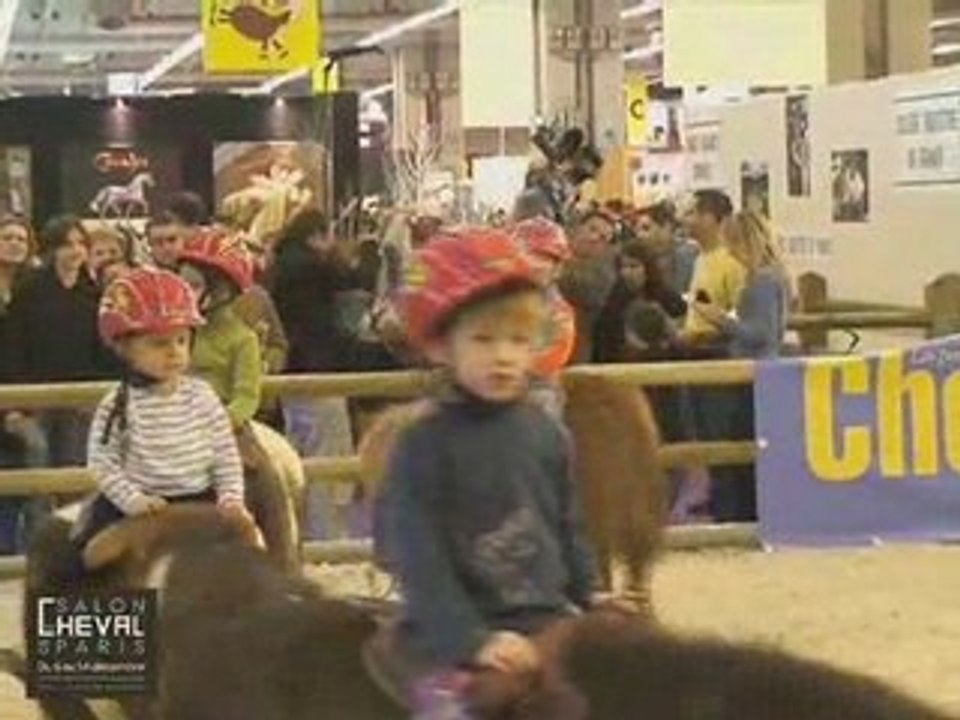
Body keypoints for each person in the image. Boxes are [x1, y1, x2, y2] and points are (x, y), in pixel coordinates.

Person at [378, 227, 597, 720]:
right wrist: (472, 640)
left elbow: (569, 527)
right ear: (441, 347)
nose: (503, 355)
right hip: (453, 633)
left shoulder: (547, 433)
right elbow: (418, 558)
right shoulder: (423, 445)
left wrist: (592, 594)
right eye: (483, 339)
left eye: (518, 340)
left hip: (546, 618)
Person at [73, 268, 250, 555]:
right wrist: (132, 500)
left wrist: (231, 498)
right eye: (159, 344)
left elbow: (225, 454)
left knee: (252, 550)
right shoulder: (117, 404)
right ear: (124, 349)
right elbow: (102, 462)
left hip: (200, 503)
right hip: (139, 506)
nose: (174, 352)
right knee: (89, 554)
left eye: (181, 341)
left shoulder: (203, 396)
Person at [689, 211, 791, 522]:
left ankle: (742, 516)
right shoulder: (774, 277)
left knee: (741, 451)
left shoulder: (761, 281)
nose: (730, 252)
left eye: (732, 244)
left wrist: (720, 319)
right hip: (763, 371)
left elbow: (760, 333)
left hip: (752, 373)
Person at [509, 217, 576, 418]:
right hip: (481, 383)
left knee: (542, 400)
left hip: (531, 390)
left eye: (546, 258)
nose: (536, 264)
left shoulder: (559, 313)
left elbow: (547, 362)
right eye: (530, 254)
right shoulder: (487, 300)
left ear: (557, 268)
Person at [593, 240, 686, 363]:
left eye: (634, 266)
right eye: (623, 267)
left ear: (648, 268)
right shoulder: (613, 301)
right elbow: (603, 342)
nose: (627, 272)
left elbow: (681, 335)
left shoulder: (666, 296)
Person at [679, 190, 746, 351]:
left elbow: (743, 321)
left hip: (720, 355)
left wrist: (700, 336)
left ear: (709, 218)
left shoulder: (733, 261)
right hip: (695, 354)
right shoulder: (700, 258)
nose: (682, 219)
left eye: (690, 213)